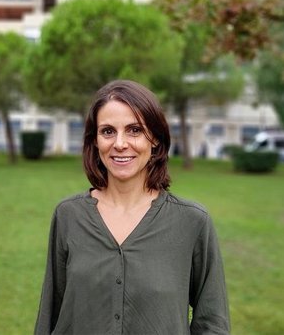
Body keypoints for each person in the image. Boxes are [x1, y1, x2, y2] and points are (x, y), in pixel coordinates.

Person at [35, 80, 229, 335]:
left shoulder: (193, 222)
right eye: (107, 131)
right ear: (94, 141)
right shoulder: (68, 216)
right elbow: (51, 315)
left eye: (134, 130)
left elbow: (212, 323)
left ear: (156, 139)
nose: (120, 143)